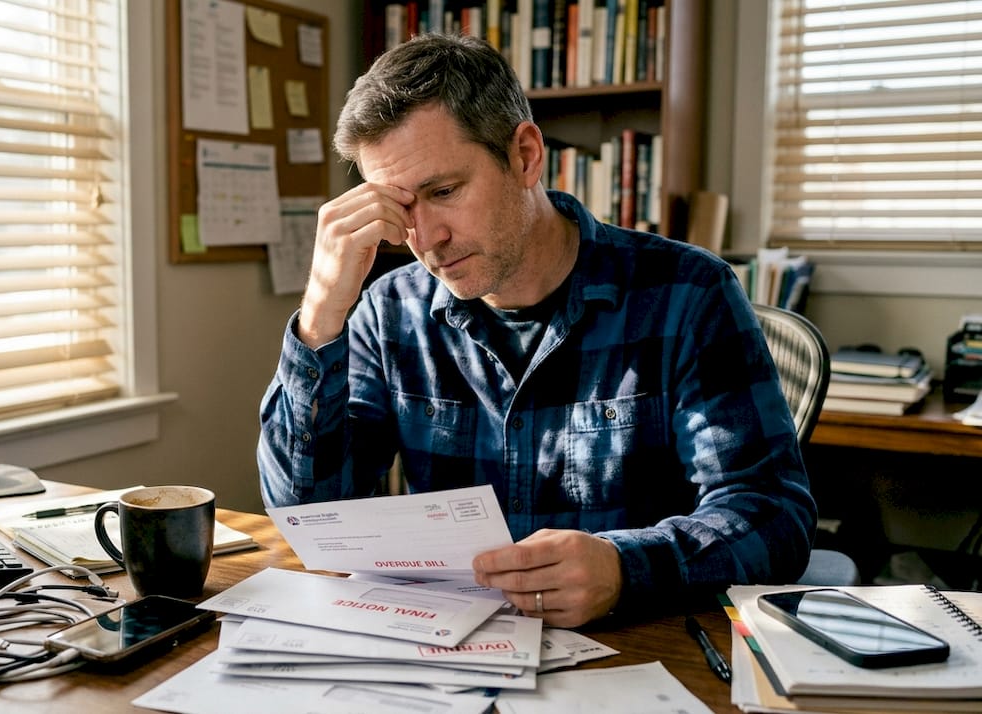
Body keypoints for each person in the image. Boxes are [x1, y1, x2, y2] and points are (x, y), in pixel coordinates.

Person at [258, 33, 816, 628]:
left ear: (524, 155)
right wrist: (320, 317)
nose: (424, 239)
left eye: (444, 192)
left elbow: (771, 512)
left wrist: (625, 567)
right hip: (449, 655)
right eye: (400, 210)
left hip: (636, 652)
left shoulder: (687, 292)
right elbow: (310, 516)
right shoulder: (386, 310)